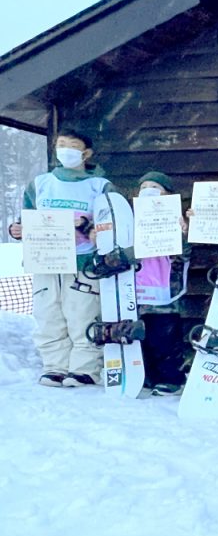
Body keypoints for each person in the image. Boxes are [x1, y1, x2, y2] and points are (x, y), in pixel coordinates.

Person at [8, 129, 112, 387]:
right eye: (61, 144)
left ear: (86, 153)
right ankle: (54, 366)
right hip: (45, 258)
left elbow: (112, 221)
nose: (65, 150)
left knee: (82, 314)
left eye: (72, 146)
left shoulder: (100, 186)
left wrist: (90, 227)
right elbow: (28, 216)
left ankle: (85, 368)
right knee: (48, 314)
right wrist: (18, 229)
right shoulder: (40, 183)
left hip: (83, 261)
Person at [134, 171, 191, 395]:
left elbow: (185, 253)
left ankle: (170, 377)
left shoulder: (176, 219)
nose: (148, 190)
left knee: (165, 337)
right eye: (144, 186)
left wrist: (184, 232)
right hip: (137, 289)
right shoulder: (131, 218)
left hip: (166, 289)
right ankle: (147, 376)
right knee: (142, 335)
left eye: (155, 187)